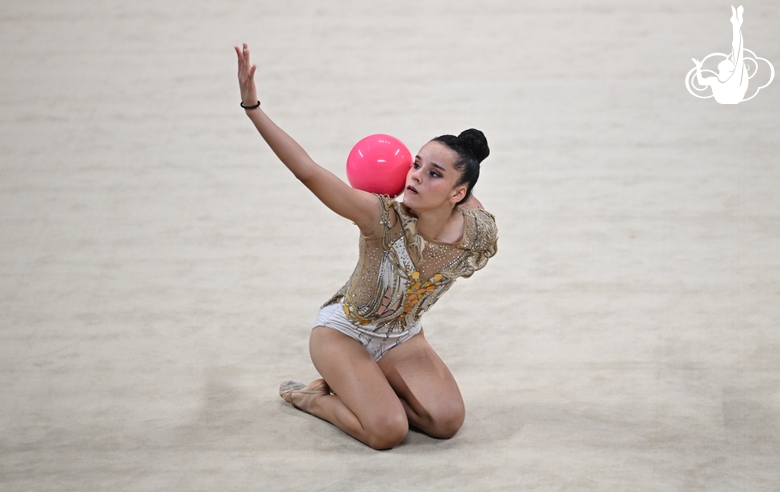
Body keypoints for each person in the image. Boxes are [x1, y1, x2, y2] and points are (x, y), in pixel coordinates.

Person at [234, 43, 498, 450]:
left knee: (445, 422)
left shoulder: (477, 233)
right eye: (415, 164)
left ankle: (368, 391)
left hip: (402, 337)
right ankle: (314, 398)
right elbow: (308, 171)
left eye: (434, 174)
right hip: (344, 333)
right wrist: (253, 106)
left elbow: (470, 196)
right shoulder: (381, 218)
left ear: (458, 192)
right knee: (387, 431)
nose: (414, 177)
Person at [692, 5, 748, 104]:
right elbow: (701, 82)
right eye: (728, 60)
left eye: (727, 61)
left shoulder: (734, 77)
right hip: (729, 98)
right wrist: (698, 67)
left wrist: (736, 26)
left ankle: (736, 23)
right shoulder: (715, 80)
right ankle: (736, 23)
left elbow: (737, 49)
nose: (724, 59)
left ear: (729, 69)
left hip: (732, 97)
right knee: (737, 51)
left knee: (737, 50)